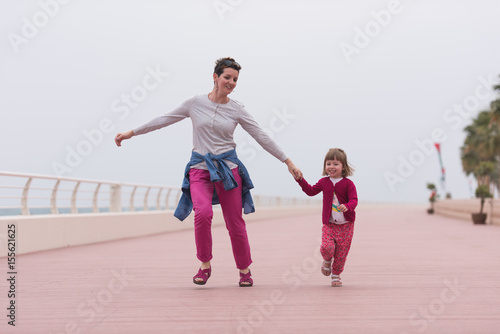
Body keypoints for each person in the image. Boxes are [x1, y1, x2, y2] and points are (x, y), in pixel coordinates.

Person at [114, 57, 302, 287]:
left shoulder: (237, 110)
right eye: (227, 77)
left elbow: (260, 136)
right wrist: (131, 133)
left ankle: (244, 270)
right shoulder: (195, 103)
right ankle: (204, 265)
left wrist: (287, 161)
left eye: (235, 79)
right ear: (215, 77)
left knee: (235, 222)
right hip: (199, 168)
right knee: (202, 214)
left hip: (228, 170)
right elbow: (165, 119)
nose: (231, 82)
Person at [295, 148, 357, 287]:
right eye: (328, 164)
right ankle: (327, 260)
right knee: (326, 247)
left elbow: (354, 200)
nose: (331, 167)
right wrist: (300, 180)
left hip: (346, 225)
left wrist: (348, 206)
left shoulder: (348, 184)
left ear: (343, 167)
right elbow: (310, 191)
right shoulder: (324, 182)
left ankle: (336, 274)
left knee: (341, 253)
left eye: (335, 164)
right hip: (329, 224)